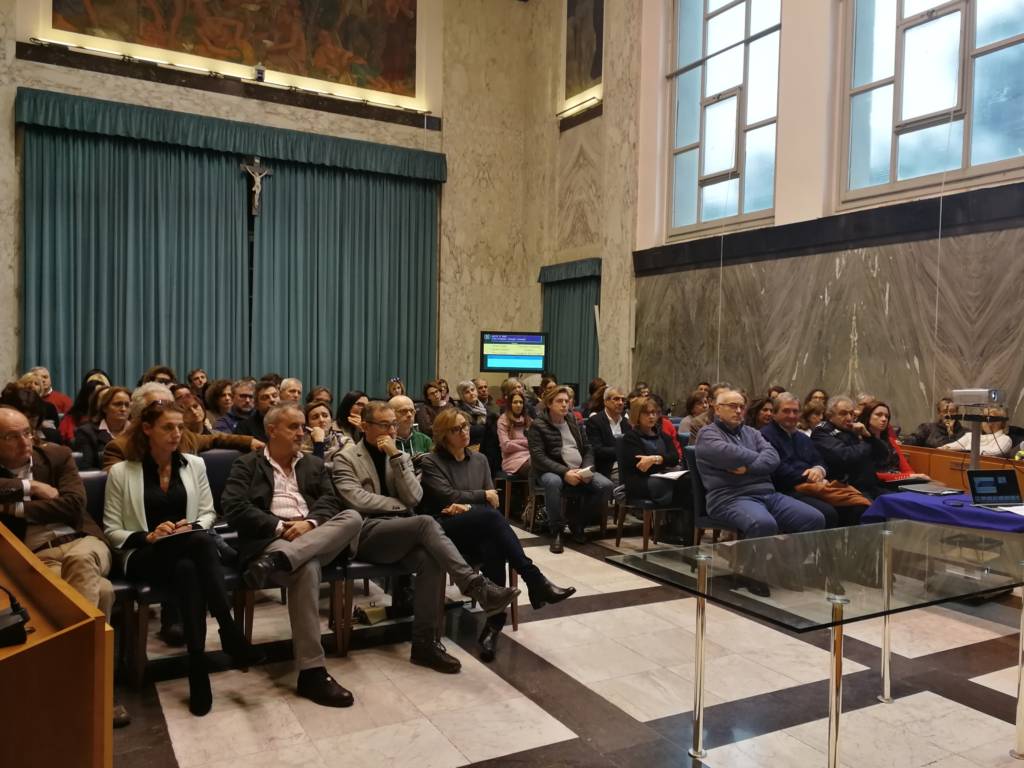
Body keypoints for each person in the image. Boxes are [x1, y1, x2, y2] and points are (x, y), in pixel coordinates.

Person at [331, 401, 519, 673]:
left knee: (430, 559)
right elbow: (356, 500)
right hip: (367, 533)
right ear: (364, 426)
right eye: (384, 425)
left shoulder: (399, 456)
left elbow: (414, 496)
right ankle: (476, 586)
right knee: (426, 522)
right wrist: (399, 505)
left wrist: (395, 456)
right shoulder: (346, 458)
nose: (391, 430)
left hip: (402, 532)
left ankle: (424, 645)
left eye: (393, 424)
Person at [103, 402, 260, 717]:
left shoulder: (194, 464)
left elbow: (208, 513)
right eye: (168, 427)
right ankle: (228, 629)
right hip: (144, 555)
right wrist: (149, 535)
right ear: (147, 429)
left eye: (180, 427)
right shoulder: (122, 472)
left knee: (189, 567)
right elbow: (112, 530)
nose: (177, 433)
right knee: (200, 543)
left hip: (188, 552)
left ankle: (197, 667)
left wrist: (191, 526)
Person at [222, 403, 363, 708]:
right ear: (272, 430)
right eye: (294, 427)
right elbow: (234, 507)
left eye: (303, 426)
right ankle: (312, 672)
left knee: (352, 517)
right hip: (271, 541)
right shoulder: (246, 465)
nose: (302, 432)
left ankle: (281, 561)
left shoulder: (313, 464)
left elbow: (330, 501)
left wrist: (308, 524)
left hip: (314, 535)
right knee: (306, 567)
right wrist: (279, 526)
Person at [0, 405, 130, 727]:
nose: (25, 442)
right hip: (37, 556)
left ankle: (72, 686)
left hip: (84, 542)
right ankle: (99, 688)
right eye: (12, 437)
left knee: (79, 561)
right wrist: (31, 488)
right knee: (101, 592)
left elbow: (73, 504)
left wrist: (13, 508)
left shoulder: (56, 455)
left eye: (27, 433)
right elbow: (56, 502)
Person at [419, 408, 574, 661]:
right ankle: (534, 580)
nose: (464, 432)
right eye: (456, 429)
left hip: (480, 529)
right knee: (492, 521)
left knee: (494, 545)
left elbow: (492, 502)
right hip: (446, 531)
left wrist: (469, 505)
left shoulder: (480, 460)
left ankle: (493, 627)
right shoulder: (432, 462)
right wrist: (479, 499)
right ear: (443, 435)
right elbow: (449, 497)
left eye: (465, 426)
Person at [694, 389, 825, 539]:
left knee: (815, 519)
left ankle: (787, 555)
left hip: (768, 494)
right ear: (717, 409)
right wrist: (759, 457)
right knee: (763, 524)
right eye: (732, 406)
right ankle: (754, 556)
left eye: (742, 407)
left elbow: (773, 459)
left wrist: (748, 468)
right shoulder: (707, 434)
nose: (738, 411)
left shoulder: (752, 432)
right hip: (730, 498)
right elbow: (730, 455)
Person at [760, 393, 871, 527]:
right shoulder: (765, 435)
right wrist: (808, 476)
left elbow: (819, 460)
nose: (792, 415)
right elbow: (777, 468)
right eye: (786, 411)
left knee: (858, 507)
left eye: (795, 411)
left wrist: (818, 469)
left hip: (814, 485)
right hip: (787, 488)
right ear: (774, 414)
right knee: (828, 513)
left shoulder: (801, 437)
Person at [527, 386, 614, 552]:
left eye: (567, 401)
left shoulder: (573, 421)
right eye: (559, 401)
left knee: (606, 486)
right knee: (553, 482)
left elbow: (588, 448)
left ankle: (577, 523)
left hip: (578, 468)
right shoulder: (538, 425)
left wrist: (586, 469)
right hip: (550, 470)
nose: (564, 405)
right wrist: (565, 472)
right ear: (549, 404)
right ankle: (556, 531)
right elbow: (538, 457)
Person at [102, 383, 260, 471]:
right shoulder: (119, 448)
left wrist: (249, 442)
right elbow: (117, 490)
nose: (167, 413)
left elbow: (215, 438)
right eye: (158, 409)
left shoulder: (184, 438)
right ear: (140, 417)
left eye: (170, 406)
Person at [620, 396, 689, 538]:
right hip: (639, 481)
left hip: (663, 476)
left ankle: (683, 532)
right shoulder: (630, 438)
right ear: (637, 415)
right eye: (646, 413)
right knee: (680, 485)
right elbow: (642, 466)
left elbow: (675, 457)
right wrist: (663, 461)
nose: (652, 416)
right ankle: (672, 530)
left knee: (689, 480)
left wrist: (655, 459)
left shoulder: (663, 435)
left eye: (654, 412)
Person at [811, 396, 891, 500]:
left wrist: (868, 436)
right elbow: (844, 456)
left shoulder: (853, 429)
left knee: (900, 501)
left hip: (870, 486)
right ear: (830, 415)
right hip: (846, 488)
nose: (849, 418)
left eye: (852, 414)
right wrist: (866, 443)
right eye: (843, 413)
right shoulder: (822, 432)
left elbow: (883, 456)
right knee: (873, 507)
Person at [859, 401, 931, 484]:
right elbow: (873, 475)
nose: (884, 419)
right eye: (878, 415)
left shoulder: (890, 440)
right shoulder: (861, 441)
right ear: (867, 416)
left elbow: (907, 470)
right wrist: (908, 476)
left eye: (886, 416)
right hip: (876, 485)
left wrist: (911, 477)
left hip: (899, 482)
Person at [72, 386, 131, 470]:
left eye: (127, 405)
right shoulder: (86, 432)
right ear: (104, 408)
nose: (123, 409)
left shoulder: (138, 431)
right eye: (117, 404)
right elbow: (86, 468)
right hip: (103, 477)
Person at [585, 386, 631, 482]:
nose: (620, 403)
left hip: (627, 466)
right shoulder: (595, 422)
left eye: (623, 400)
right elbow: (597, 450)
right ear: (606, 402)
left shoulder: (627, 423)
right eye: (616, 399)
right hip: (607, 468)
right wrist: (622, 451)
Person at [939, 407, 1014, 456]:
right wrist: (947, 448)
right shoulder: (970, 436)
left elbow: (992, 453)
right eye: (983, 419)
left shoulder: (1005, 439)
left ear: (1000, 422)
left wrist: (964, 450)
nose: (983, 422)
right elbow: (947, 447)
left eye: (988, 419)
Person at [60, 375, 109, 443]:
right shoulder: (71, 417)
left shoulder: (110, 418)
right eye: (96, 395)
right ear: (86, 396)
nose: (100, 399)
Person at [498, 391, 533, 478]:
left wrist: (515, 442)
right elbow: (506, 446)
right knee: (534, 467)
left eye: (521, 402)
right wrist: (526, 444)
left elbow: (535, 443)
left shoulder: (528, 420)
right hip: (513, 460)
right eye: (515, 402)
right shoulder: (503, 420)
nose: (518, 405)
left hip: (530, 456)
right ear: (510, 404)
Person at [390, 395, 431, 462]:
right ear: (391, 414)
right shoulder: (386, 441)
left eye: (412, 411)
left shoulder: (425, 440)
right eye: (403, 411)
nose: (409, 415)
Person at [454, 380, 490, 447]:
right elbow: (468, 430)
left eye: (472, 390)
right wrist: (486, 427)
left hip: (485, 444)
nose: (471, 393)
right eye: (467, 392)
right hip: (469, 445)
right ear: (462, 396)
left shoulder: (484, 407)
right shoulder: (459, 411)